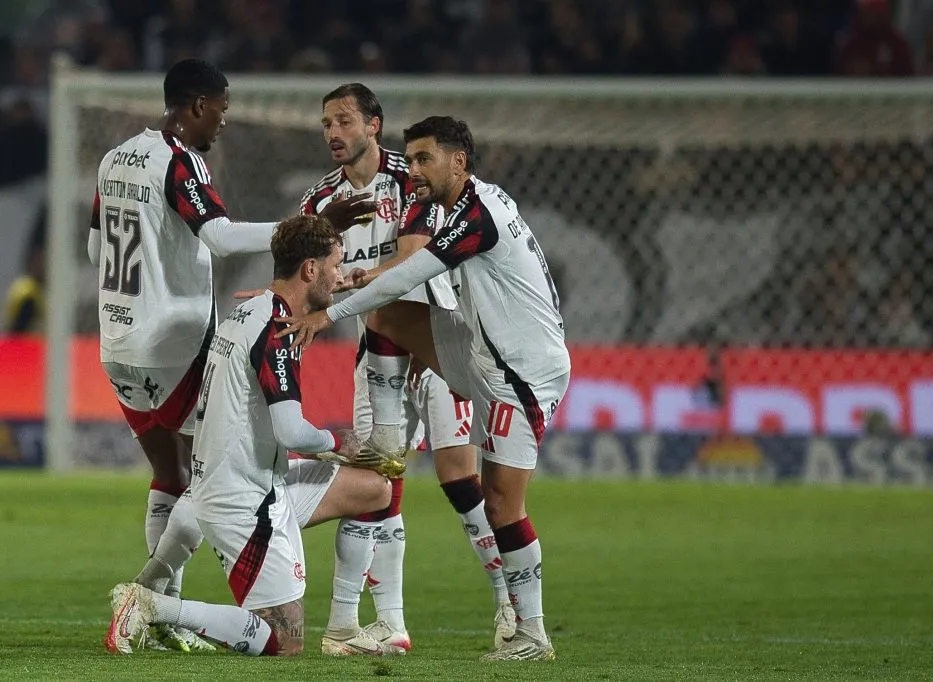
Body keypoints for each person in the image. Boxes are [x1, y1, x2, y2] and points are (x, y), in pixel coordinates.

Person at [88, 58, 374, 651]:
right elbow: (217, 237)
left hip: (117, 346)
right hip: (172, 344)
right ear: (197, 105)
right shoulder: (178, 159)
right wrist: (309, 222)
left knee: (170, 477)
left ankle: (154, 599)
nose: (223, 122)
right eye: (221, 109)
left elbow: (96, 247)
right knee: (209, 476)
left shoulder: (114, 159)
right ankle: (156, 603)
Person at [276, 116, 571, 661]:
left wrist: (328, 312)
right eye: (408, 159)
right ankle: (389, 440)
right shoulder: (461, 205)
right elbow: (404, 279)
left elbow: (412, 273)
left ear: (458, 161)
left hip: (520, 374)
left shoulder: (476, 214)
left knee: (503, 501)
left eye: (423, 158)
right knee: (389, 316)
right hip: (479, 350)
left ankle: (531, 630)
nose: (412, 169)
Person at [105, 214, 395, 657]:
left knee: (375, 491)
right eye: (336, 265)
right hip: (242, 500)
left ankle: (343, 627)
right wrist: (340, 444)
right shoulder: (275, 331)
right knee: (284, 640)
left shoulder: (251, 311)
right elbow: (291, 430)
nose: (340, 276)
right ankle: (152, 605)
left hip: (246, 480)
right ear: (310, 270)